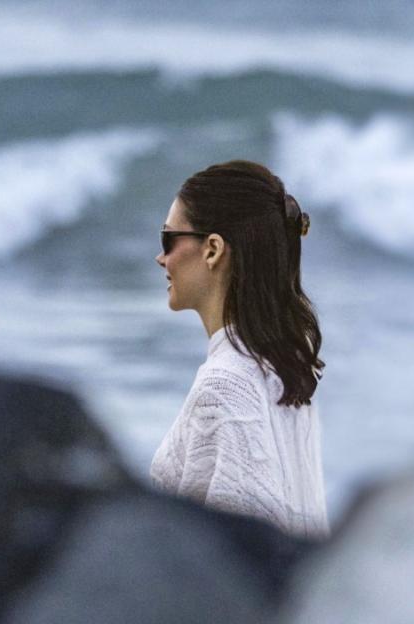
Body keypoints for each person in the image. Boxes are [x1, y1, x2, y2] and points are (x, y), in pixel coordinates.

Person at [149, 160, 328, 539]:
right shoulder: (284, 371)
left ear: (213, 249)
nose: (161, 258)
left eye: (168, 238)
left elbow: (239, 541)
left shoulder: (225, 384)